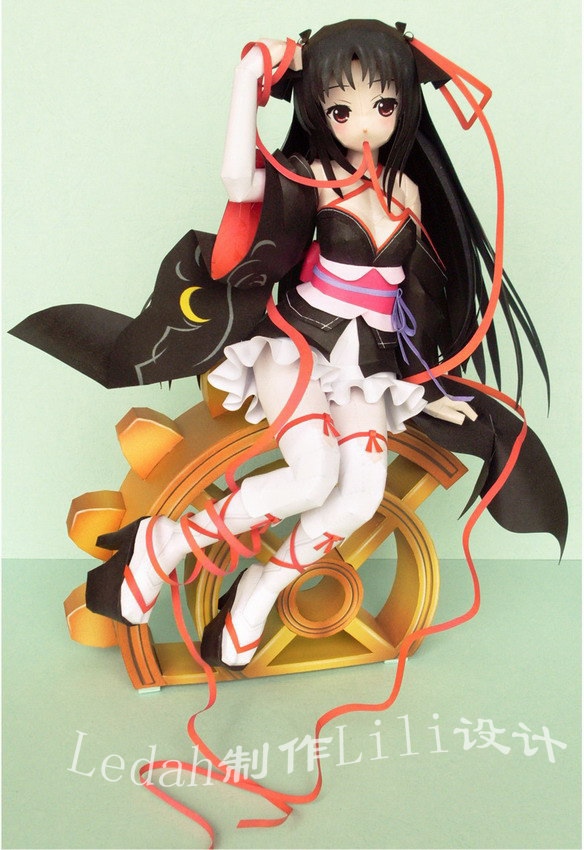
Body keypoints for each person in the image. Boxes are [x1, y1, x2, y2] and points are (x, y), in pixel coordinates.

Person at [10, 20, 567, 672]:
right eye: (342, 109)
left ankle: (257, 593)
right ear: (316, 110)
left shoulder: (409, 191)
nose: (365, 123)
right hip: (298, 346)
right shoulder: (307, 176)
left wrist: (429, 386)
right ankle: (165, 543)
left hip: (368, 365)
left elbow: (415, 303)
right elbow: (236, 180)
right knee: (313, 475)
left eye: (383, 105)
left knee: (360, 495)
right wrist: (249, 75)